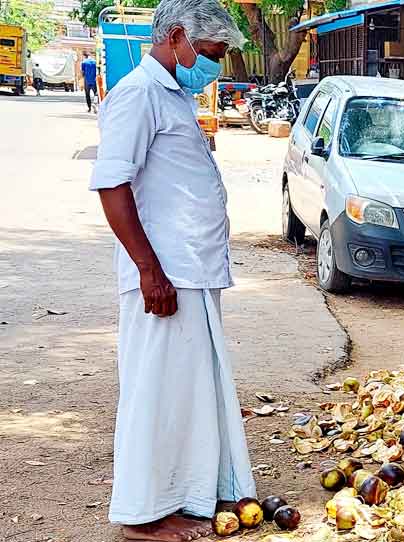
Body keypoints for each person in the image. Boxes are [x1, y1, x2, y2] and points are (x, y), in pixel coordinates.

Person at [89, 0, 253, 540]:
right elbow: (113, 185)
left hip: (193, 271)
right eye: (210, 53)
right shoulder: (137, 96)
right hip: (164, 275)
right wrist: (148, 269)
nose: (215, 65)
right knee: (155, 392)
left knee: (189, 392)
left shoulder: (175, 94)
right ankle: (142, 515)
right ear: (178, 37)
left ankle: (184, 494)